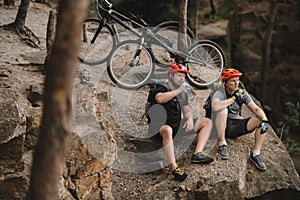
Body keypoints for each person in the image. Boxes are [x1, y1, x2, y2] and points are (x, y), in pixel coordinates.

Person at [148, 63, 214, 181]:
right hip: (159, 128)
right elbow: (160, 99)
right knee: (167, 130)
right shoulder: (161, 87)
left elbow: (187, 110)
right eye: (179, 76)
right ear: (171, 76)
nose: (182, 79)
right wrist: (179, 90)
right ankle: (174, 168)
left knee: (207, 122)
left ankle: (197, 153)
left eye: (184, 77)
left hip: (177, 126)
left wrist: (189, 119)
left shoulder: (182, 93)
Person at [211, 68, 269, 171]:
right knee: (223, 110)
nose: (236, 83)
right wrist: (233, 99)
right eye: (233, 80)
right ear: (225, 82)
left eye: (237, 80)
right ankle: (222, 144)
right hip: (217, 127)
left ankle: (255, 154)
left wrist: (264, 120)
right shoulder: (219, 92)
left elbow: (255, 108)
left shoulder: (242, 94)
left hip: (234, 126)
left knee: (260, 120)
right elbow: (215, 106)